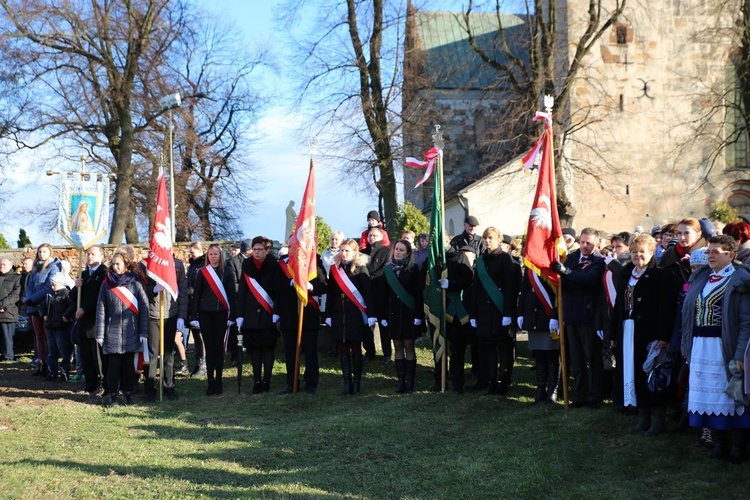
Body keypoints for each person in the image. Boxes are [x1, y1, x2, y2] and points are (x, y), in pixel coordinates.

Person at [681, 235, 750, 463]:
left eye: (716, 251)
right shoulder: (702, 276)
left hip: (724, 346)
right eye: (709, 251)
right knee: (710, 396)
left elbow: (746, 322)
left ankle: (738, 448)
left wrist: (740, 354)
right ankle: (719, 444)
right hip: (701, 345)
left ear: (730, 255)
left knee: (732, 394)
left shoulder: (740, 280)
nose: (710, 254)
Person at [610, 234, 680, 435]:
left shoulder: (662, 276)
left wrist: (663, 336)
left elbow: (667, 310)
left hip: (651, 333)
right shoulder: (626, 274)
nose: (637, 256)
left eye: (642, 252)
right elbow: (618, 306)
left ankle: (657, 419)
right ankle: (642, 415)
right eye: (634, 252)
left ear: (651, 252)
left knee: (651, 373)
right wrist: (614, 333)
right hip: (627, 331)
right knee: (633, 371)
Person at [551, 227, 606, 408]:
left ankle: (594, 396)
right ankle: (579, 395)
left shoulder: (599, 261)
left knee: (593, 358)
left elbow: (589, 280)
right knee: (576, 360)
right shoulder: (573, 258)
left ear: (597, 244)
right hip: (571, 315)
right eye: (582, 242)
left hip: (588, 316)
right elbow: (564, 281)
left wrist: (567, 273)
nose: (584, 246)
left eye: (588, 243)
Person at [469, 227, 520, 395]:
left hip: (500, 311)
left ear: (498, 240)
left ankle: (503, 382)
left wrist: (508, 313)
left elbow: (510, 287)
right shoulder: (481, 260)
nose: (487, 241)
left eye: (490, 238)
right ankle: (491, 381)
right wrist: (474, 314)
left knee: (504, 348)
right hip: (484, 312)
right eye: (485, 238)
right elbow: (475, 288)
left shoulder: (506, 259)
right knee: (488, 348)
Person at [95, 250, 149, 407]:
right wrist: (100, 333)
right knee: (113, 366)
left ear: (126, 264)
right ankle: (112, 396)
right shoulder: (106, 284)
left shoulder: (136, 283)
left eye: (118, 263)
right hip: (111, 332)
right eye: (113, 264)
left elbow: (144, 309)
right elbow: (101, 309)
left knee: (128, 366)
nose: (115, 266)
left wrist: (143, 331)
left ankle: (128, 394)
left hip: (131, 331)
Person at [326, 239, 375, 395]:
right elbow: (330, 293)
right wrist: (327, 315)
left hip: (355, 313)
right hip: (339, 313)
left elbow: (368, 293)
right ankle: (347, 382)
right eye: (342, 250)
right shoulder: (335, 269)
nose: (344, 253)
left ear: (355, 252)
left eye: (347, 251)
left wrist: (372, 314)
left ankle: (357, 383)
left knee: (355, 348)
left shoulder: (361, 268)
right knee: (343, 349)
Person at [276, 245, 327, 394]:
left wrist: (312, 287)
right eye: (292, 245)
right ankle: (292, 383)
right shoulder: (282, 264)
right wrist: (290, 283)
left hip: (308, 313)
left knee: (310, 352)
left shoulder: (315, 261)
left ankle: (311, 383)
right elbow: (275, 285)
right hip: (288, 315)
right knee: (290, 353)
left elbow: (324, 285)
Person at [374, 240, 423, 393]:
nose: (398, 252)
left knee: (409, 346)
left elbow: (418, 294)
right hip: (393, 314)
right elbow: (382, 295)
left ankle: (410, 382)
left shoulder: (413, 269)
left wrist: (419, 315)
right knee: (398, 347)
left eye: (402, 250)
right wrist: (382, 315)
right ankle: (400, 380)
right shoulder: (387, 269)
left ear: (408, 253)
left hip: (408, 313)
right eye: (396, 249)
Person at [236, 236, 282, 393]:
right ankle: (257, 381)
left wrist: (276, 312)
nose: (256, 252)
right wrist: (240, 315)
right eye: (254, 249)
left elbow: (277, 290)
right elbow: (242, 291)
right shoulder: (247, 265)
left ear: (267, 250)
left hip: (268, 314)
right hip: (250, 314)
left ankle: (266, 380)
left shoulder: (273, 265)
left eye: (260, 249)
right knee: (254, 349)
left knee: (268, 348)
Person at [140, 252, 188, 402]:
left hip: (171, 313)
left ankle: (169, 387)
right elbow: (141, 292)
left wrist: (182, 316)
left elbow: (183, 292)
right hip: (153, 315)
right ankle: (149, 389)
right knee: (153, 354)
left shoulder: (177, 264)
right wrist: (154, 290)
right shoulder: (145, 264)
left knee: (168, 353)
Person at [190, 243, 237, 396]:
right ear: (207, 256)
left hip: (222, 314)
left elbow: (231, 296)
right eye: (210, 254)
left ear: (220, 255)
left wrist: (232, 316)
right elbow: (196, 296)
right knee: (209, 349)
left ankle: (219, 380)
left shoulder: (228, 272)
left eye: (215, 254)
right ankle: (210, 381)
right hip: (206, 315)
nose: (213, 256)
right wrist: (194, 316)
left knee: (219, 348)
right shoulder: (203, 273)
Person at [517, 269, 560, 403]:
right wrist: (520, 313)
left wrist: (556, 315)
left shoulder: (553, 265)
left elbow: (558, 293)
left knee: (552, 354)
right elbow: (524, 291)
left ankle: (553, 389)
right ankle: (541, 388)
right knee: (539, 354)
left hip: (549, 317)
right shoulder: (531, 269)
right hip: (533, 317)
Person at [72, 245, 108, 396]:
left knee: (98, 355)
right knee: (86, 354)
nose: (89, 256)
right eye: (88, 254)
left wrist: (85, 308)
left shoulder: (104, 273)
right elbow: (74, 297)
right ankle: (90, 383)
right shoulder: (84, 274)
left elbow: (99, 295)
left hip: (96, 319)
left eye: (93, 254)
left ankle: (103, 384)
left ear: (101, 256)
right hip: (83, 321)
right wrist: (76, 287)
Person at [23, 244, 62, 377]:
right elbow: (30, 286)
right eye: (40, 251)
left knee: (48, 337)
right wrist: (29, 298)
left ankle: (51, 366)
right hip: (34, 306)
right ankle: (41, 363)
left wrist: (32, 299)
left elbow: (49, 287)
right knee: (39, 336)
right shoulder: (36, 268)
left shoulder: (54, 267)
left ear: (50, 252)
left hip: (47, 306)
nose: (41, 254)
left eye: (44, 251)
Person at [441, 243, 475, 393]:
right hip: (439, 310)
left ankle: (457, 382)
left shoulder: (460, 257)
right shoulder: (433, 259)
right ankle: (439, 380)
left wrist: (452, 284)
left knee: (457, 349)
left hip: (456, 312)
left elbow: (468, 279)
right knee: (440, 346)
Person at [365, 227, 391, 364]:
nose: (372, 237)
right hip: (366, 292)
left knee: (383, 323)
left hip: (381, 291)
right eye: (370, 235)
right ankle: (370, 351)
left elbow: (385, 269)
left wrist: (367, 277)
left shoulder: (387, 251)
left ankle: (387, 353)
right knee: (367, 323)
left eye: (375, 235)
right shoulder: (363, 252)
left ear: (381, 237)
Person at [44, 273, 74, 381]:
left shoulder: (66, 294)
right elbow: (46, 306)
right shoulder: (52, 294)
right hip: (51, 325)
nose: (52, 286)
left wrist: (65, 316)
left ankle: (64, 372)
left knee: (64, 351)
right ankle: (52, 372)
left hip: (61, 326)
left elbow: (72, 306)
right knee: (52, 351)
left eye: (54, 284)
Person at [186, 242, 207, 377]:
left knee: (201, 336)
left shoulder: (203, 265)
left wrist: (190, 290)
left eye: (193, 252)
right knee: (195, 335)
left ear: (200, 251)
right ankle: (197, 363)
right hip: (191, 304)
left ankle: (203, 364)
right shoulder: (192, 266)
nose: (190, 255)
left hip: (201, 303)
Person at [0, 258, 20, 362]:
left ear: (10, 265)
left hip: (8, 312)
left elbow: (15, 295)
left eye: (4, 264)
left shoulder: (16, 278)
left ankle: (8, 358)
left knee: (7, 337)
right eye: (0, 264)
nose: (1, 266)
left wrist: (1, 305)